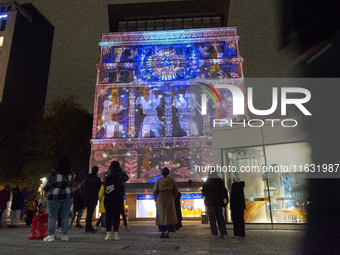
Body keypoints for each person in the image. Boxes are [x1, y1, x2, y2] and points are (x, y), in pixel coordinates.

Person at [43, 154, 75, 242]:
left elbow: (48, 184)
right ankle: (64, 235)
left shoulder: (53, 172)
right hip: (67, 195)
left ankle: (51, 236)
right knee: (65, 216)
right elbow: (73, 184)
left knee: (52, 216)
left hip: (54, 195)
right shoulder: (71, 172)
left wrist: (45, 192)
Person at [104, 161, 129, 240]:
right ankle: (115, 233)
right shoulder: (120, 175)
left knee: (108, 215)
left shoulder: (107, 174)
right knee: (116, 216)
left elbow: (104, 183)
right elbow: (126, 178)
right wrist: (121, 171)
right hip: (118, 197)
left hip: (108, 197)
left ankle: (108, 233)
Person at [153, 167, 179, 238]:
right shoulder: (171, 180)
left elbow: (155, 191)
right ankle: (168, 232)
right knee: (169, 215)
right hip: (169, 198)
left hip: (160, 198)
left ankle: (162, 232)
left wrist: (156, 199)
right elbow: (176, 190)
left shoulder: (158, 181)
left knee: (161, 215)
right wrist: (173, 197)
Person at [202, 171, 228, 238]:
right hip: (218, 202)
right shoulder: (220, 181)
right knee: (220, 216)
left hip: (210, 202)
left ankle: (214, 233)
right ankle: (223, 233)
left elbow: (204, 192)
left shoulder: (207, 181)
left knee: (212, 218)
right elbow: (223, 191)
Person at [82, 166, 102, 233]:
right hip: (93, 197)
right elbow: (99, 188)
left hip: (87, 197)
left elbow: (83, 186)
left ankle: (88, 227)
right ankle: (88, 227)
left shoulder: (87, 178)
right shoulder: (97, 179)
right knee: (90, 213)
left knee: (89, 213)